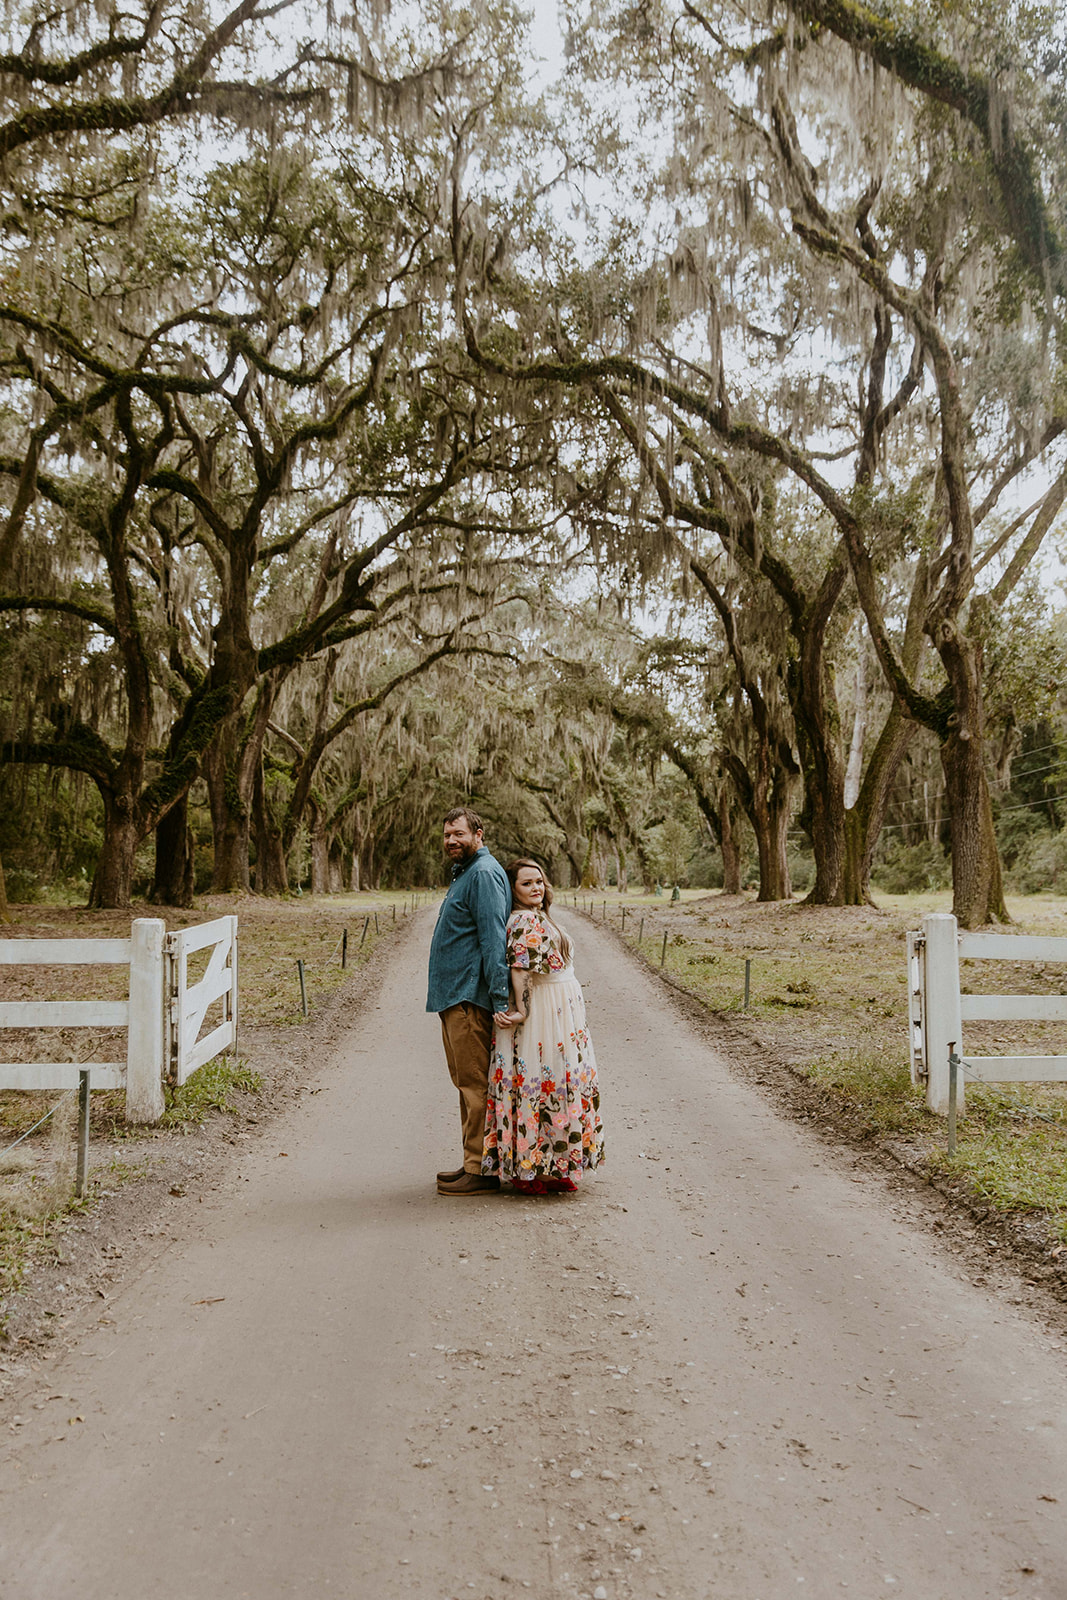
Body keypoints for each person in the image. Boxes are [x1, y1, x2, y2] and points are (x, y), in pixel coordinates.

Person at [483, 859, 604, 1194]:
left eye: (539, 881)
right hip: (543, 1012)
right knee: (541, 1081)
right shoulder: (522, 919)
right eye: (526, 884)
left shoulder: (540, 916)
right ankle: (531, 1168)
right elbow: (520, 968)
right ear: (514, 890)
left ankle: (557, 1162)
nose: (536, 887)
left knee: (561, 1081)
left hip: (563, 1010)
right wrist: (522, 1010)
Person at [426, 807, 511, 1196]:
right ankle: (471, 1161)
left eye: (458, 834)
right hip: (454, 995)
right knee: (466, 1083)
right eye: (447, 835)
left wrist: (498, 999)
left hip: (469, 996)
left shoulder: (483, 874)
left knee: (475, 1085)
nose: (451, 841)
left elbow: (494, 940)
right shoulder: (467, 872)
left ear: (479, 833)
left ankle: (481, 1169)